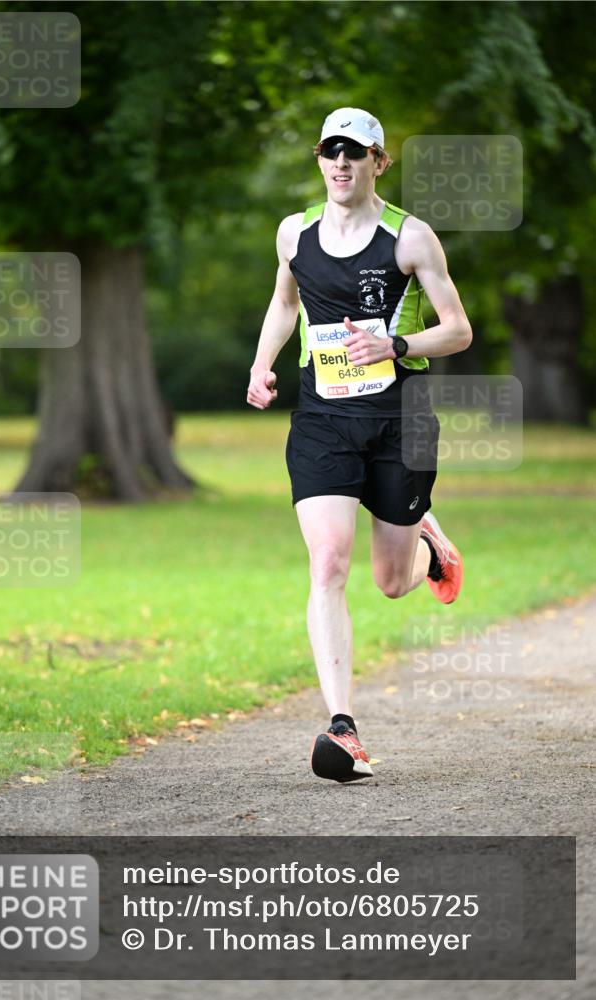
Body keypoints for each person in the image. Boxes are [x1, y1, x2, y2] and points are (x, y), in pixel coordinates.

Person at [247, 108, 472, 783]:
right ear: (319, 160)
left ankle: (430, 545)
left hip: (400, 421)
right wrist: (262, 363)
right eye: (330, 151)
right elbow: (285, 302)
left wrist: (393, 344)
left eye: (355, 152)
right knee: (327, 564)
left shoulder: (410, 238)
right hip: (323, 420)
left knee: (392, 583)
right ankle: (342, 727)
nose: (341, 163)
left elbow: (458, 330)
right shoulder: (294, 233)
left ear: (378, 161)